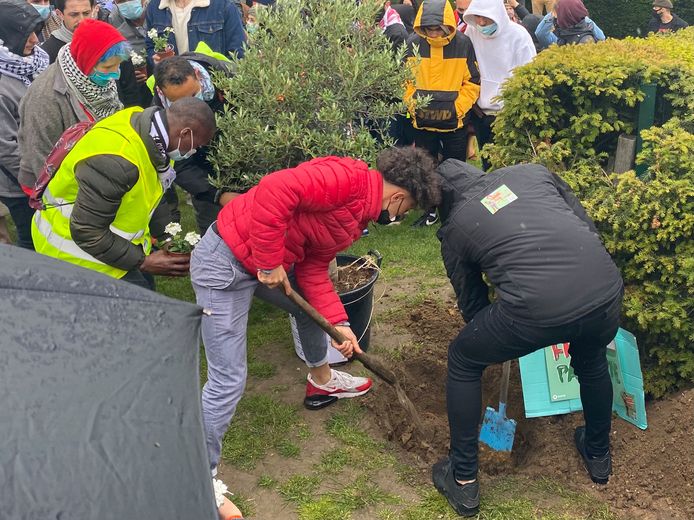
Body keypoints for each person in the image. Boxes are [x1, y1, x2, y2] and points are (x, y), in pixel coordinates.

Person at [190, 147, 441, 477]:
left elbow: (313, 268)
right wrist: (268, 260)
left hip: (264, 264)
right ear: (397, 198)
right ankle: (196, 473)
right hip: (224, 265)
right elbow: (275, 188)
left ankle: (322, 382)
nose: (402, 215)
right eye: (407, 208)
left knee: (310, 313)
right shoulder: (347, 179)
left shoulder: (356, 217)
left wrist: (339, 324)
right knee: (228, 379)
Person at [432, 160, 624, 517]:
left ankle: (462, 483)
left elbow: (472, 304)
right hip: (604, 290)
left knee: (463, 357)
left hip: (539, 308)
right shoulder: (532, 173)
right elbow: (584, 223)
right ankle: (598, 456)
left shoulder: (457, 224)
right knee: (591, 357)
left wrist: (503, 336)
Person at [31, 97, 216, 288]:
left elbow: (152, 191)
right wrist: (143, 262)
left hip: (109, 247)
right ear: (185, 133)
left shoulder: (155, 137)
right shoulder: (116, 160)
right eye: (197, 145)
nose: (194, 150)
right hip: (75, 255)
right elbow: (87, 231)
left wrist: (165, 237)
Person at [18, 19, 128, 190]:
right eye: (108, 67)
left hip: (90, 172)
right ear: (86, 61)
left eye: (118, 65)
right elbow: (41, 155)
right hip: (58, 183)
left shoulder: (92, 77)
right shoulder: (46, 96)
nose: (116, 74)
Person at [404, 0, 480, 227]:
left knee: (456, 169)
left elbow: (473, 82)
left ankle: (455, 210)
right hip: (424, 123)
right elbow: (404, 82)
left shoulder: (463, 44)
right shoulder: (412, 43)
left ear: (448, 23)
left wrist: (456, 109)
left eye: (438, 27)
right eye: (429, 28)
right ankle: (430, 211)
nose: (435, 33)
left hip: (454, 124)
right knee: (426, 169)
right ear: (422, 26)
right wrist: (414, 106)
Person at [152, 54, 231, 233]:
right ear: (161, 92)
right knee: (215, 237)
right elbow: (178, 165)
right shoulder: (159, 114)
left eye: (194, 95)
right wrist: (217, 194)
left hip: (249, 174)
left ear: (198, 74)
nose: (192, 105)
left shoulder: (230, 81)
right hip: (206, 182)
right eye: (179, 102)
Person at [463, 0, 536, 171]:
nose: (481, 23)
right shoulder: (472, 32)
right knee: (489, 165)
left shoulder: (518, 35)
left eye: (486, 18)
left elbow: (527, 73)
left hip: (508, 115)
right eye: (477, 17)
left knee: (510, 166)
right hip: (481, 113)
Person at [0, 0, 48, 250]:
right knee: (33, 241)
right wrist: (38, 180)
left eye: (36, 31)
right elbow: (6, 149)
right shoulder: (2, 86)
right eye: (26, 34)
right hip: (21, 185)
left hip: (45, 171)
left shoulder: (36, 61)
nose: (35, 40)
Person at [144, 0, 246, 65]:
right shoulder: (155, 7)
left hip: (212, 88)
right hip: (171, 87)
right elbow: (150, 46)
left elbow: (238, 54)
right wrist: (155, 59)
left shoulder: (223, 6)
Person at [535, 0, 605, 47]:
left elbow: (540, 33)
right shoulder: (587, 26)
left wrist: (553, 14)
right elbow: (601, 38)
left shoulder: (558, 41)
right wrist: (581, 16)